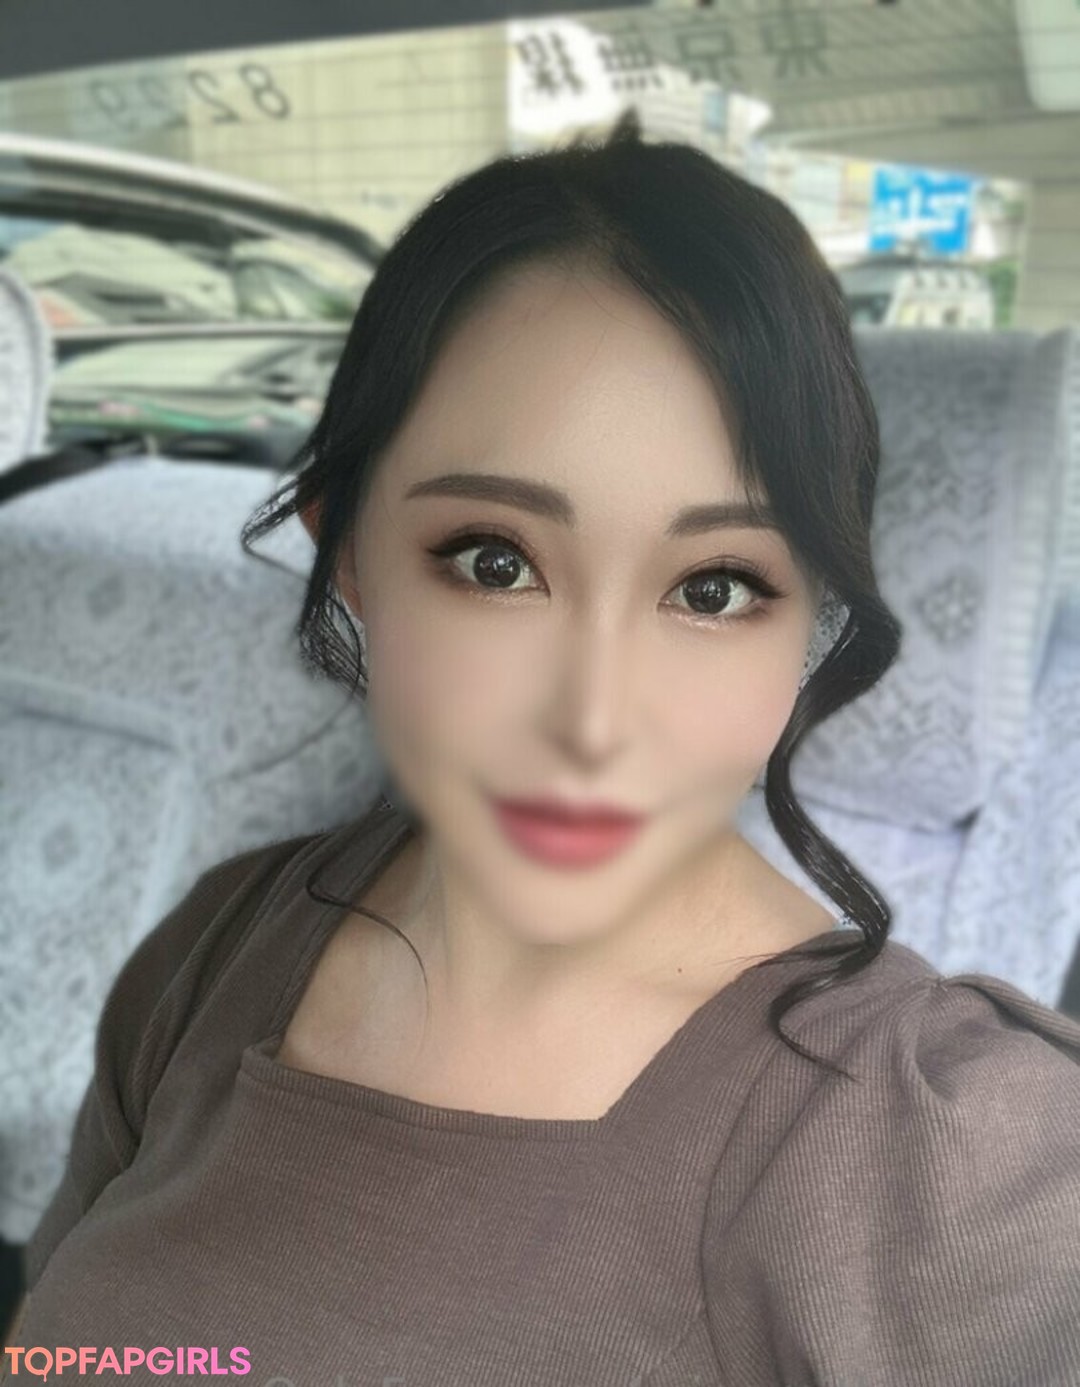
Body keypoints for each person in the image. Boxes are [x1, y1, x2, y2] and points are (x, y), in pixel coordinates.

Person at [9, 110, 1080, 1385]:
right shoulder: (215, 946)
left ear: (813, 622)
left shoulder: (967, 1160)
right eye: (495, 562)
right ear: (347, 553)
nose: (593, 719)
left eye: (715, 587)